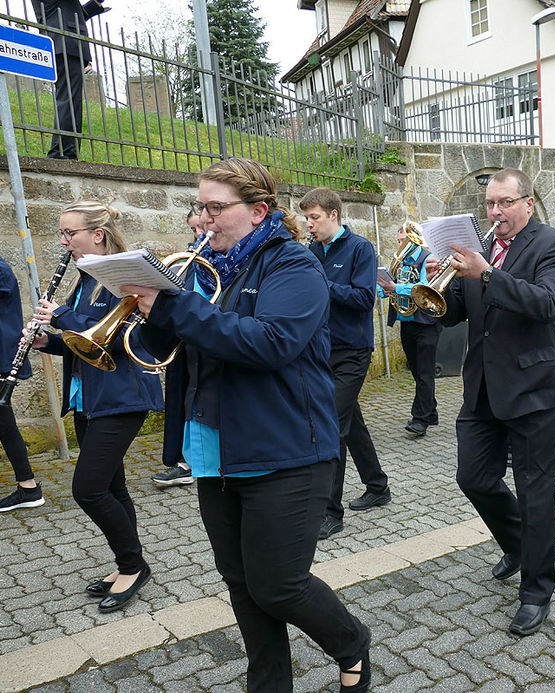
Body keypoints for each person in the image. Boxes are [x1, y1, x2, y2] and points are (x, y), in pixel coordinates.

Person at [127, 159, 371, 692]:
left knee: (279, 585)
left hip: (286, 448)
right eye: (200, 207)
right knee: (240, 580)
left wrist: (177, 306)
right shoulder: (202, 271)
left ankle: (351, 642)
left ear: (258, 211)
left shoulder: (294, 266)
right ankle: (268, 682)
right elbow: (164, 350)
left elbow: (270, 343)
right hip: (216, 448)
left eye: (216, 207)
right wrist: (148, 311)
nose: (203, 219)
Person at [428, 167, 555, 636]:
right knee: (472, 477)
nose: (495, 212)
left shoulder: (554, 244)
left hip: (534, 391)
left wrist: (486, 273)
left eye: (504, 203)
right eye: (490, 204)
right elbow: (456, 315)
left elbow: (547, 304)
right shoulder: (482, 248)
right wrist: (439, 284)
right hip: (483, 387)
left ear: (527, 203)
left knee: (536, 495)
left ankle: (536, 591)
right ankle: (516, 545)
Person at [31, 200, 163, 612]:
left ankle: (133, 565)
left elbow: (114, 338)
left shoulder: (120, 276)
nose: (64, 240)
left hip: (121, 396)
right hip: (89, 396)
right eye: (62, 233)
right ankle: (129, 563)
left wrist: (62, 316)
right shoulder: (86, 277)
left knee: (87, 490)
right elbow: (80, 341)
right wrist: (47, 341)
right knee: (111, 486)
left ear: (97, 235)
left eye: (69, 232)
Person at [301, 188, 391, 541]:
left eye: (314, 218)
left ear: (333, 216)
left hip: (352, 351)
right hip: (321, 350)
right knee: (351, 423)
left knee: (331, 425)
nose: (309, 225)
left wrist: (323, 284)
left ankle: (330, 512)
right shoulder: (311, 250)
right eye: (306, 218)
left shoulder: (360, 248)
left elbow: (362, 298)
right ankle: (378, 486)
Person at [151, 210, 205, 488]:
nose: (198, 235)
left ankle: (194, 460)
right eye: (193, 229)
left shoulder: (213, 260)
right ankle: (181, 459)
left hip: (204, 340)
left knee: (196, 400)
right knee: (178, 399)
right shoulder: (186, 260)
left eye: (201, 228)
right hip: (181, 340)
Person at [377, 221, 441, 437]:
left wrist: (396, 287)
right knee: (415, 369)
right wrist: (383, 288)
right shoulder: (399, 262)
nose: (399, 245)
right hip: (407, 321)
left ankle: (420, 420)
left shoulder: (426, 259)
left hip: (427, 323)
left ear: (414, 241)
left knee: (424, 372)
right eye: (398, 241)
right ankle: (430, 411)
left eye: (403, 241)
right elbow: (387, 287)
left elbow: (424, 288)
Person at [32, 1, 108, 160]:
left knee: (73, 100)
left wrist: (96, 3)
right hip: (64, 43)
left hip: (69, 43)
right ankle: (61, 152)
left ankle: (67, 150)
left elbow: (76, 14)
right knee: (68, 98)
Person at [0, 256, 45, 512]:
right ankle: (28, 487)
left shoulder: (1, 269)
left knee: (4, 423)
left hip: (3, 356)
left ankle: (28, 487)